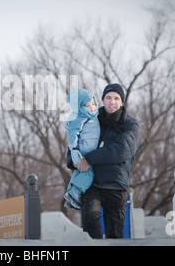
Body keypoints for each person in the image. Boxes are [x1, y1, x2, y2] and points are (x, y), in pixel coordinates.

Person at [67, 83, 139, 239]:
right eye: (108, 97)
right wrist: (73, 160)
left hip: (116, 184)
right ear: (103, 100)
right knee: (90, 218)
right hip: (92, 182)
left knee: (115, 234)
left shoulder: (129, 124)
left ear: (122, 102)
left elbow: (121, 150)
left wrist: (89, 158)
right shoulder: (90, 117)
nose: (112, 101)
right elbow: (75, 140)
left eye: (116, 98)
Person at [63, 88, 100, 210]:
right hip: (84, 151)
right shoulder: (80, 118)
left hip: (89, 149)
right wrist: (73, 150)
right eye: (87, 105)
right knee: (89, 173)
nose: (92, 107)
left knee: (79, 172)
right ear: (79, 107)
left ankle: (70, 195)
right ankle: (75, 193)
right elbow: (73, 135)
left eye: (93, 104)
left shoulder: (93, 116)